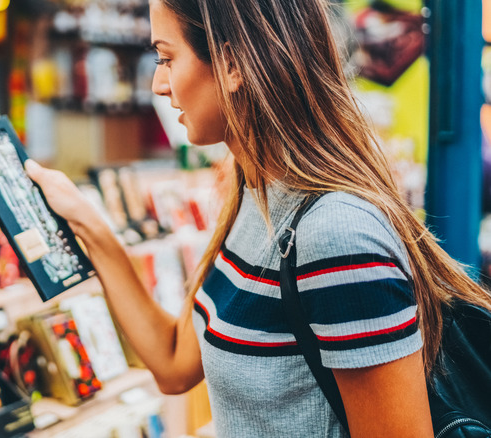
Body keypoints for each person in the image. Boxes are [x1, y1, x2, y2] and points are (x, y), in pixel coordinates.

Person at [24, 0, 491, 436]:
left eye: (166, 58)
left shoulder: (335, 236)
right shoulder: (255, 195)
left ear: (231, 65)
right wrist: (86, 223)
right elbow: (172, 362)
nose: (158, 84)